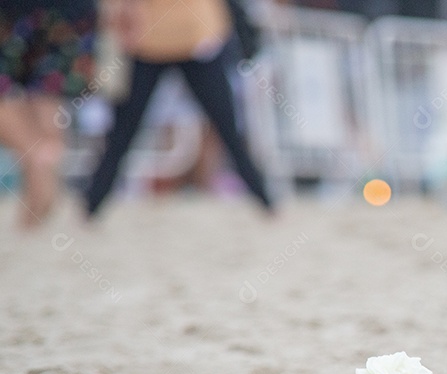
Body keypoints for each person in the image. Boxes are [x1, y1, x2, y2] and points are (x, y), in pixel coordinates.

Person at [84, 0, 274, 217]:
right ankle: (92, 204)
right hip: (156, 37)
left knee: (228, 129)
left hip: (186, 36)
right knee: (123, 133)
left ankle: (266, 200)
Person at [0, 0, 97, 229]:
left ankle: (36, 157)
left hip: (12, 12)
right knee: (50, 92)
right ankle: (44, 162)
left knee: (12, 92)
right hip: (71, 12)